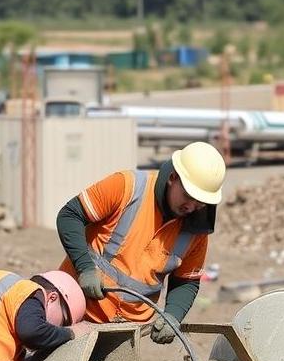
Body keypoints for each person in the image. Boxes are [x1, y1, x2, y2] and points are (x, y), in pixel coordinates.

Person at [56, 141, 226, 343]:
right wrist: (85, 267)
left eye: (201, 202)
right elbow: (69, 216)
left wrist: (173, 315)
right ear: (173, 178)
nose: (192, 206)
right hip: (72, 312)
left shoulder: (196, 232)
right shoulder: (127, 187)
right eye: (188, 196)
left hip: (123, 334)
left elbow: (186, 281)